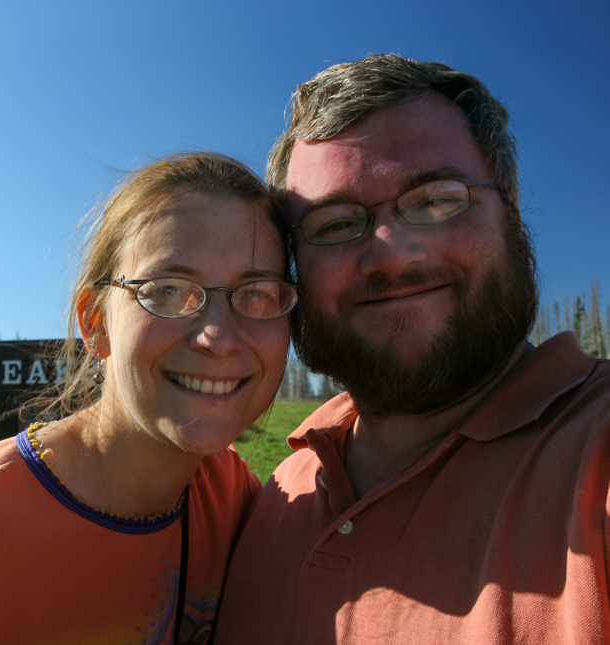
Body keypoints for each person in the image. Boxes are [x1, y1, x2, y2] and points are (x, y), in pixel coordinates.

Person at [0, 152, 297, 645]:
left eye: (257, 293)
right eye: (168, 290)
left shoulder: (233, 498)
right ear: (96, 323)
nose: (219, 336)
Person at [215, 54, 610, 644]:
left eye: (436, 199)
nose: (393, 254)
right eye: (333, 223)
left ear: (512, 207)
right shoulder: (275, 493)